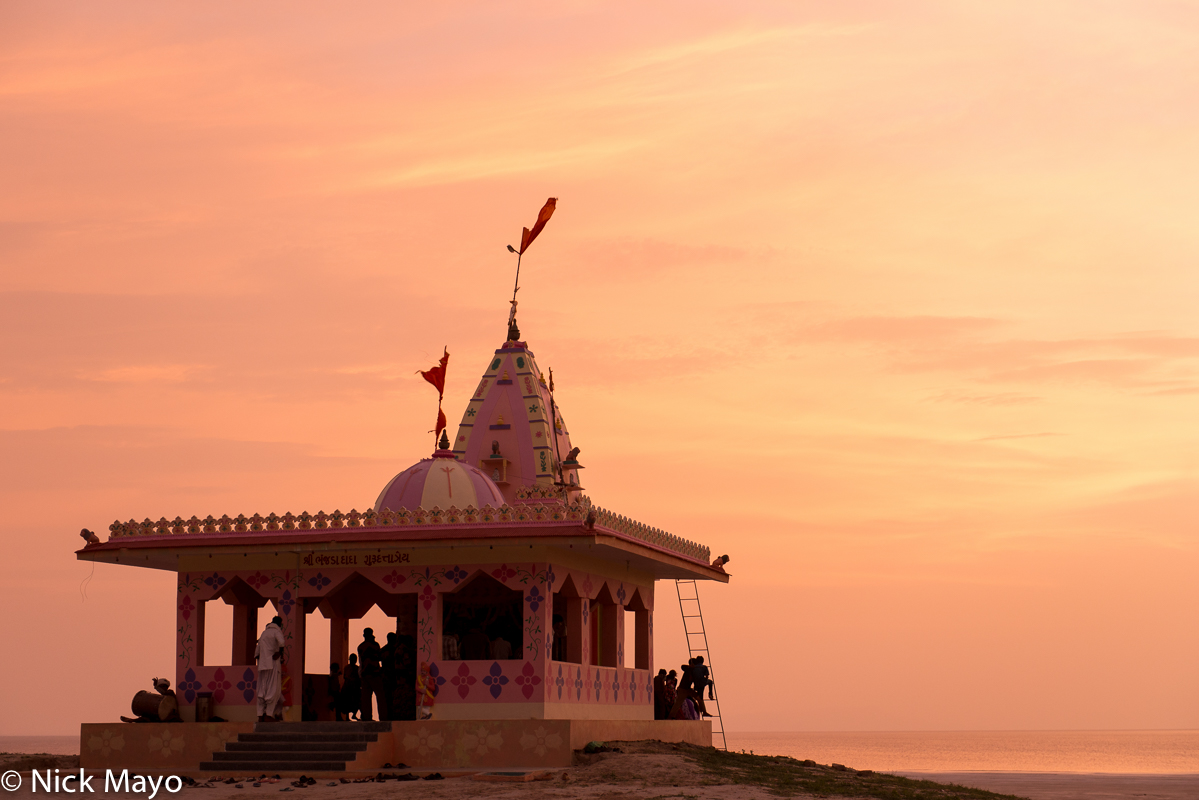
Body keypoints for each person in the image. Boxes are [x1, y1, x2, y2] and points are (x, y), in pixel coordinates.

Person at [254, 616, 286, 722]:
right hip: (273, 664)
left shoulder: (263, 633)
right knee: (273, 690)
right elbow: (282, 642)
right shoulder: (276, 631)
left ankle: (260, 715)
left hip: (262, 666)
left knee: (262, 690)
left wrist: (262, 659)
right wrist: (279, 653)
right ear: (279, 623)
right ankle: (268, 715)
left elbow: (257, 652)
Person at [357, 628, 386, 721]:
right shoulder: (375, 645)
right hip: (375, 674)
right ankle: (383, 717)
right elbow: (379, 657)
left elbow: (361, 662)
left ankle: (367, 717)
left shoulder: (361, 646)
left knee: (366, 698)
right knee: (380, 697)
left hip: (365, 675)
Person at [339, 654, 361, 721]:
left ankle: (354, 714)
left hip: (354, 687)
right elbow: (345, 676)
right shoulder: (347, 668)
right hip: (348, 687)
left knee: (356, 702)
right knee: (346, 702)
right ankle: (347, 717)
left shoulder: (357, 668)